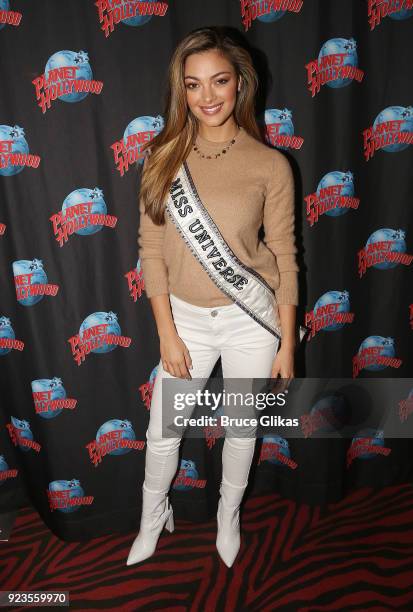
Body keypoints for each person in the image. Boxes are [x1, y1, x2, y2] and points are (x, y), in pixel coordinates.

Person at [126, 26, 300, 568]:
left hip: (253, 319)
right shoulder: (161, 158)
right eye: (194, 84)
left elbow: (286, 257)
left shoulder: (271, 165)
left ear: (240, 84)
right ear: (181, 90)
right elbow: (150, 251)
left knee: (244, 430)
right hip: (185, 322)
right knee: (163, 434)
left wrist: (287, 344)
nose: (207, 97)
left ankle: (229, 514)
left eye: (219, 81)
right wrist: (167, 332)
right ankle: (153, 518)